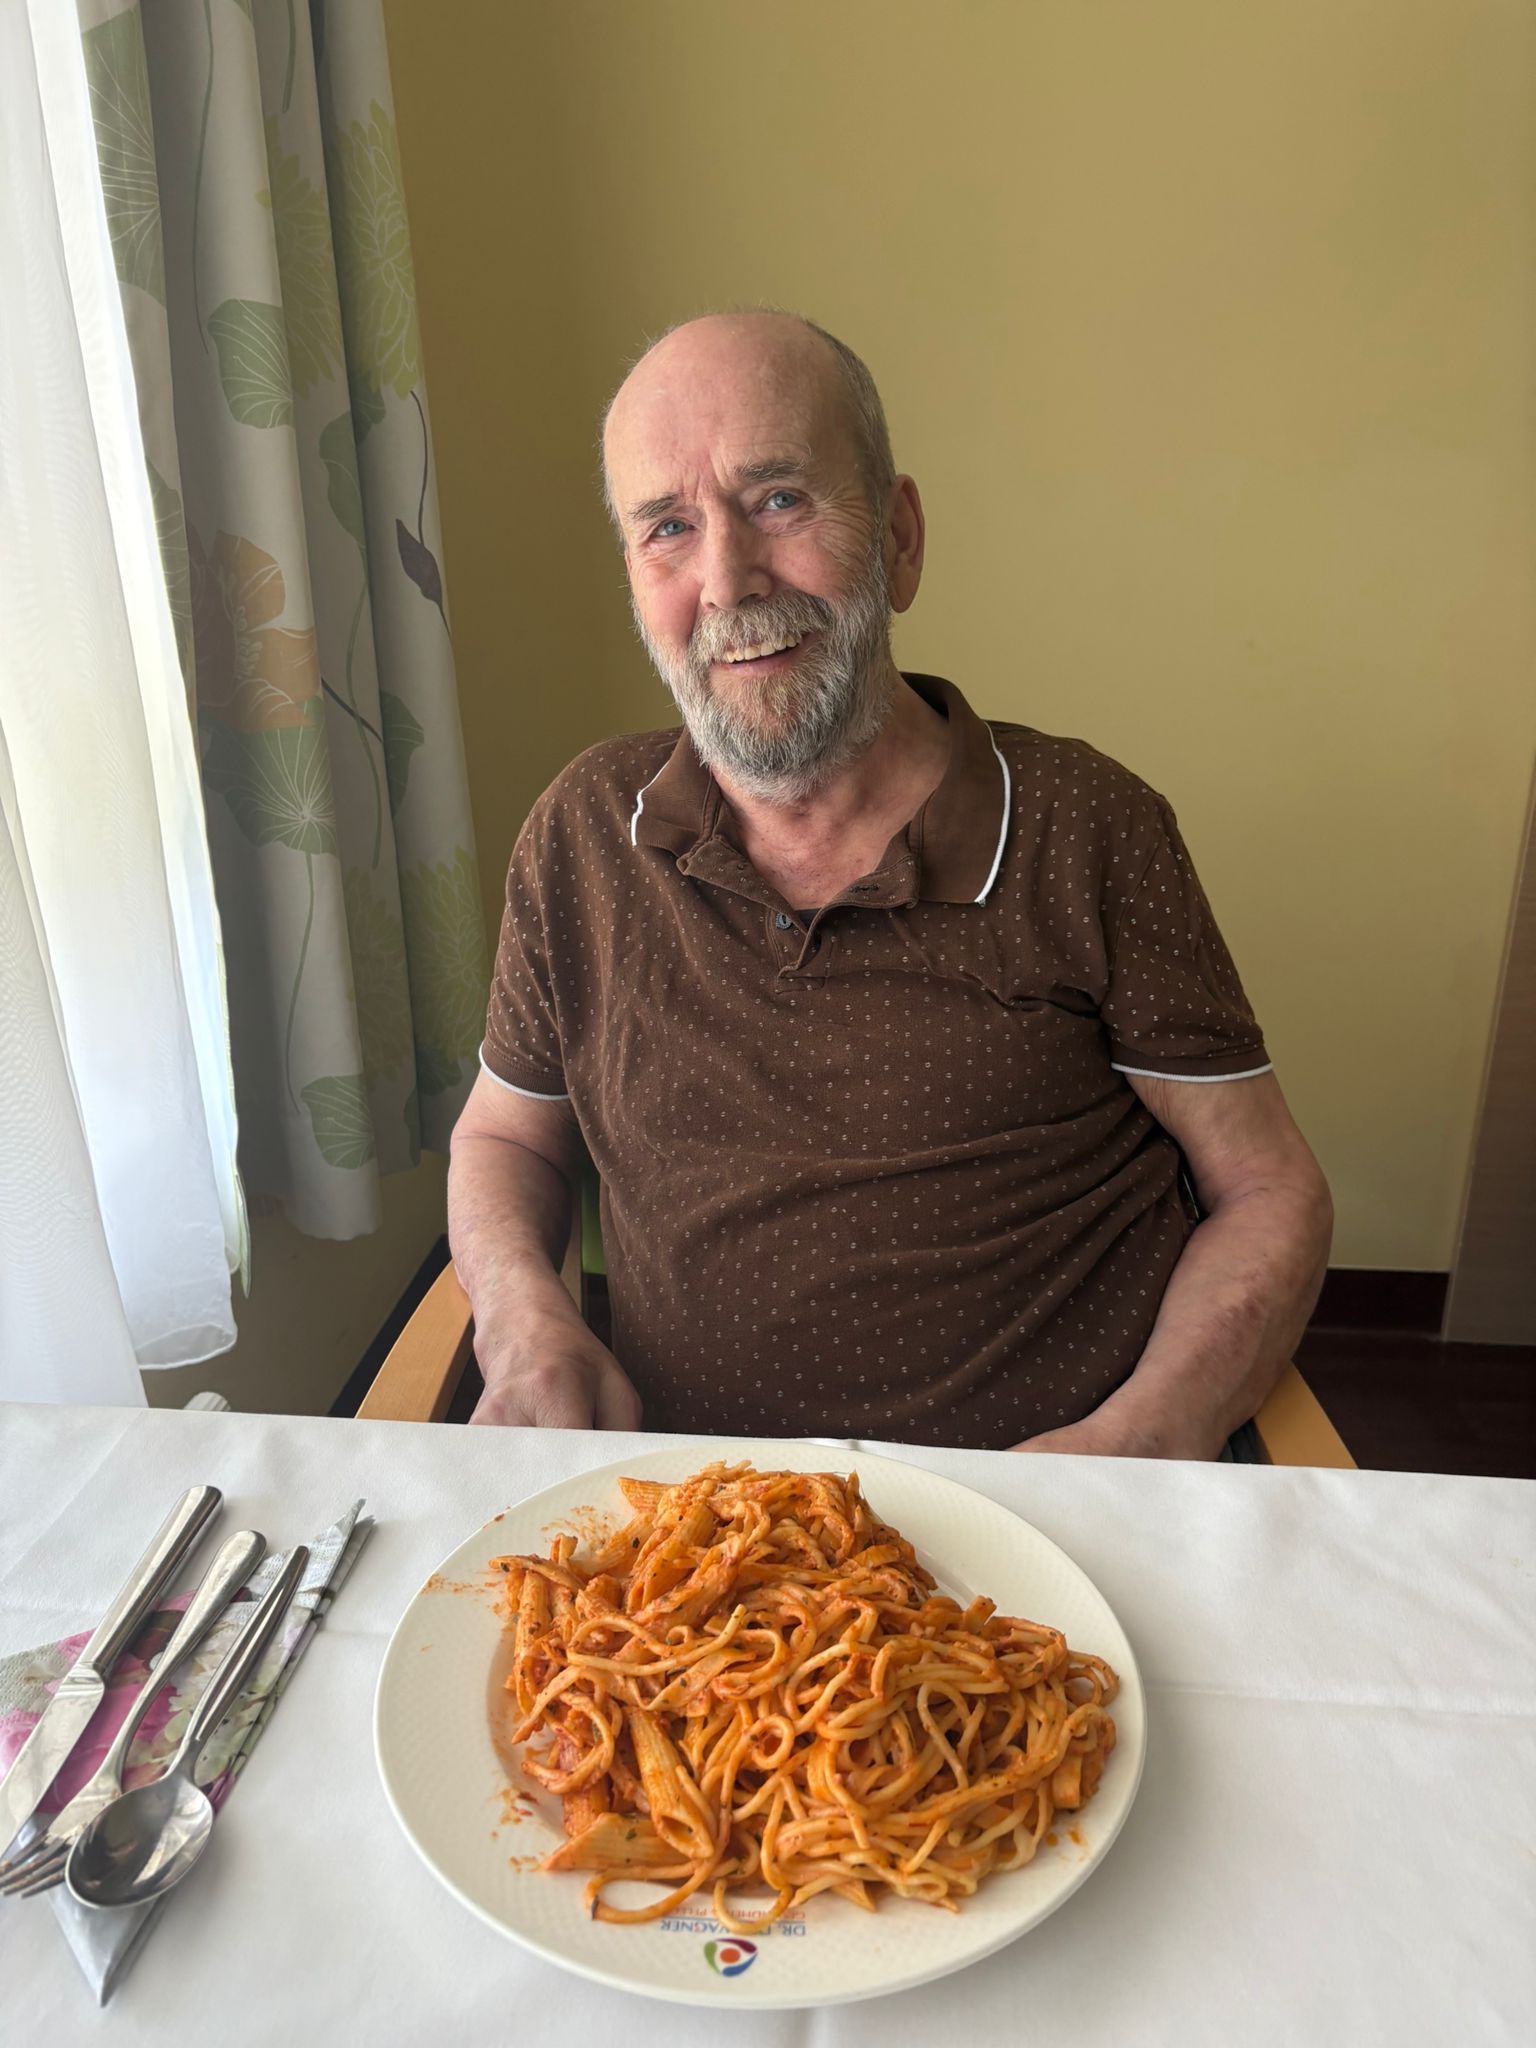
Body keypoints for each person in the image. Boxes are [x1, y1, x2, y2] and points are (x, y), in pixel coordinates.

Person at [447, 310, 1333, 1455]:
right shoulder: (581, 831)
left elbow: (1269, 1189)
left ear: (899, 537)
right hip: (688, 1524)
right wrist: (523, 1321)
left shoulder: (1088, 826)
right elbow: (506, 1141)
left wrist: (1134, 1448)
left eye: (779, 499)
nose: (727, 580)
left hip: (1046, 1521)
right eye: (668, 526)